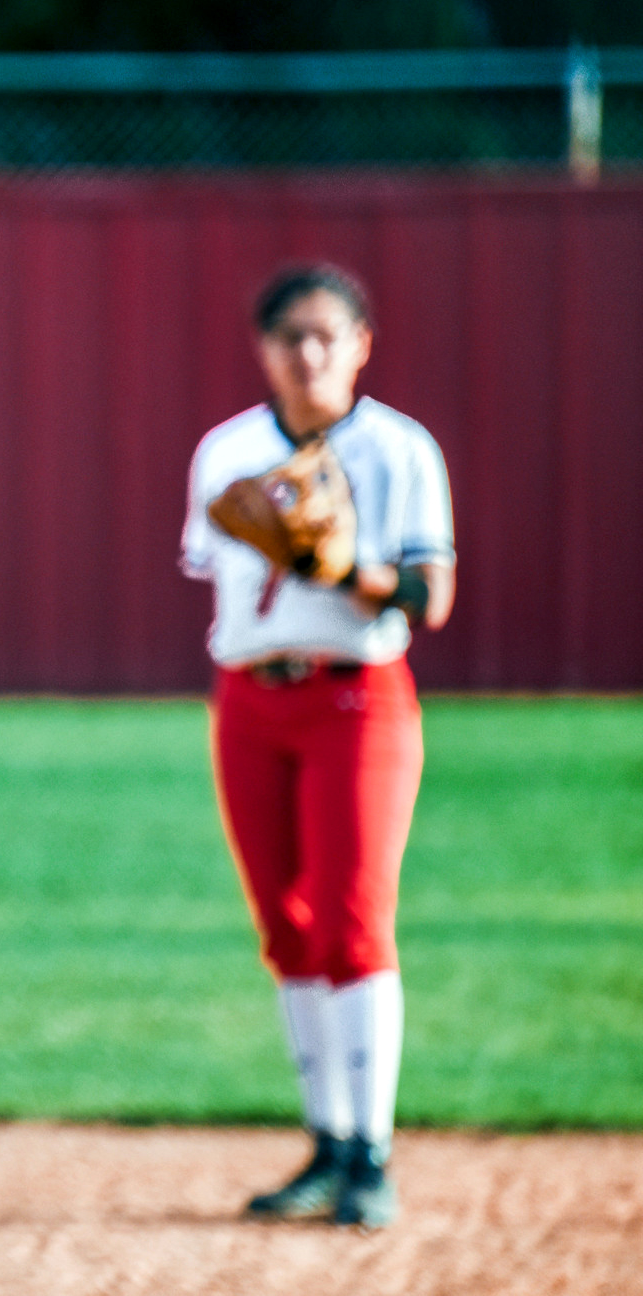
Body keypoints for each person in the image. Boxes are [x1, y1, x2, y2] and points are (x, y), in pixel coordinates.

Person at [181, 263, 456, 1230]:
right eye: (288, 335)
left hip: (357, 696)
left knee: (352, 919)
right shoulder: (228, 451)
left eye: (324, 334)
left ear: (360, 344)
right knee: (286, 926)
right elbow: (215, 560)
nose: (306, 352)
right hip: (251, 696)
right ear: (263, 348)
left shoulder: (398, 450)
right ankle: (328, 1142)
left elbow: (432, 598)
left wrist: (354, 572)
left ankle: (371, 1153)